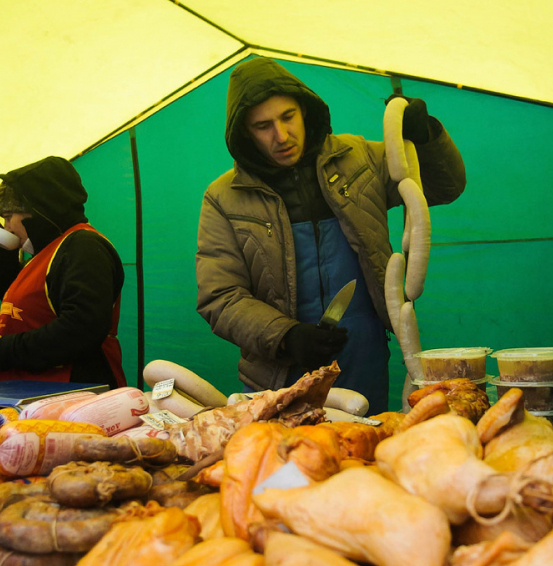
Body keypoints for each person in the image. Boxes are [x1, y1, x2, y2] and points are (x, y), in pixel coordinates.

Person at [196, 57, 466, 414]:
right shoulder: (224, 197)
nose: (281, 136)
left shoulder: (361, 160)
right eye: (263, 126)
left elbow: (443, 186)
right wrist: (285, 336)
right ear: (245, 132)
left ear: (304, 110)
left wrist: (427, 137)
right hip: (277, 372)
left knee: (363, 457)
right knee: (284, 463)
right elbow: (220, 297)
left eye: (287, 117)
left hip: (363, 359)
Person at [0, 156, 126, 390]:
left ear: (35, 210)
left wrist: (4, 348)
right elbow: (27, 311)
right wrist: (1, 258)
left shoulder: (83, 246)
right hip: (39, 394)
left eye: (8, 217)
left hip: (72, 396)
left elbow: (82, 327)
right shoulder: (48, 253)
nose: (6, 227)